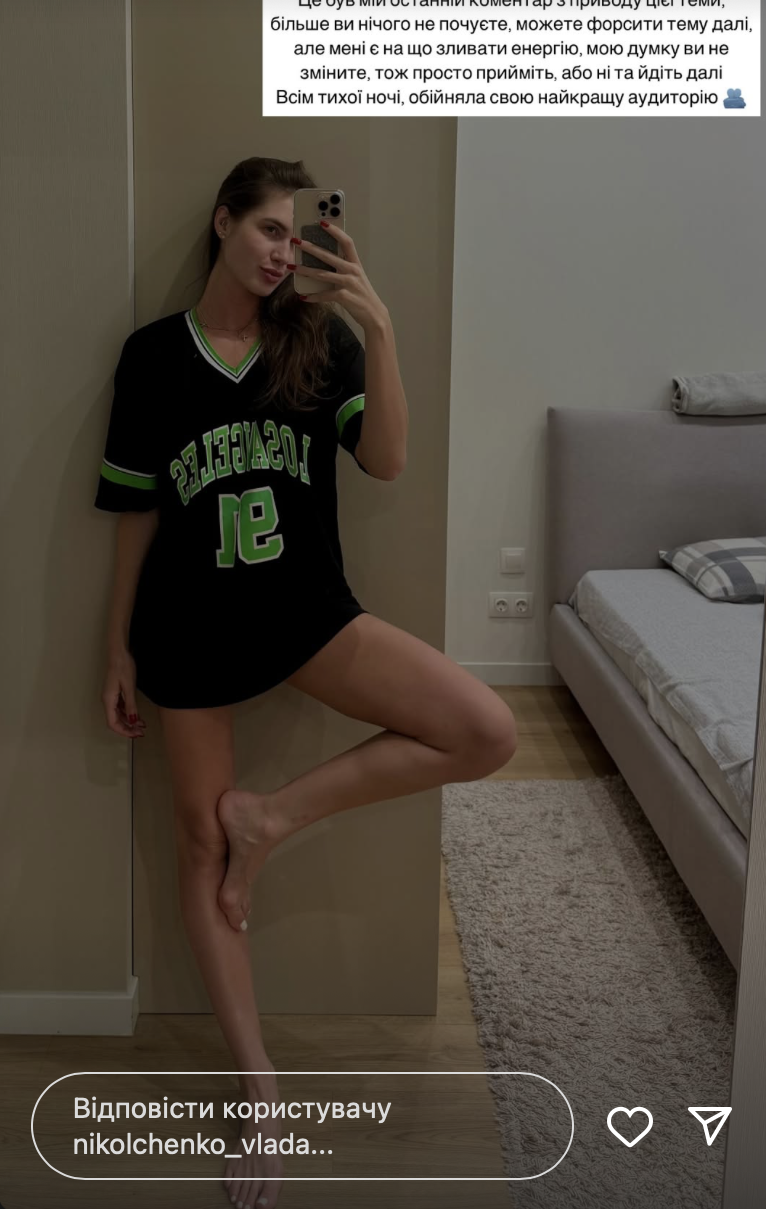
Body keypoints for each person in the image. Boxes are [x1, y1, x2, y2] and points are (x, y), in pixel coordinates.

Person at [95, 156, 517, 1209]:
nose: (285, 252)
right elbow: (136, 513)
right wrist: (117, 648)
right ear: (223, 223)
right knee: (200, 847)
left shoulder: (318, 342)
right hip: (189, 631)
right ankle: (260, 1092)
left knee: (485, 729)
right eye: (270, 230)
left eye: (299, 236)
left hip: (308, 615)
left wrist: (379, 324)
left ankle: (272, 817)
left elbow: (388, 462)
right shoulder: (152, 356)